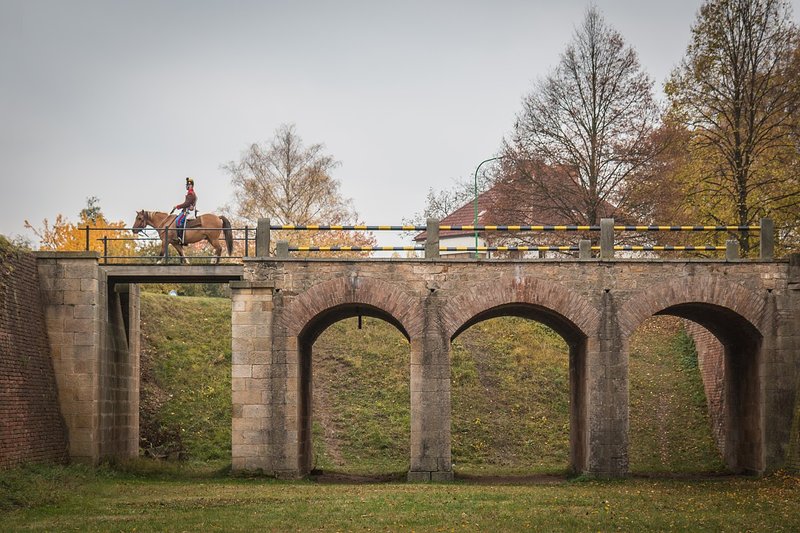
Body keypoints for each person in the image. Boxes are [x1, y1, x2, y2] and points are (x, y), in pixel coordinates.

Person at [174, 177, 197, 242]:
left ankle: (180, 237)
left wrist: (177, 206)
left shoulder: (190, 193)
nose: (187, 186)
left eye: (189, 185)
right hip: (187, 210)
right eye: (187, 185)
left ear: (192, 186)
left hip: (187, 211)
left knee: (178, 221)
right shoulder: (191, 193)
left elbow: (186, 204)